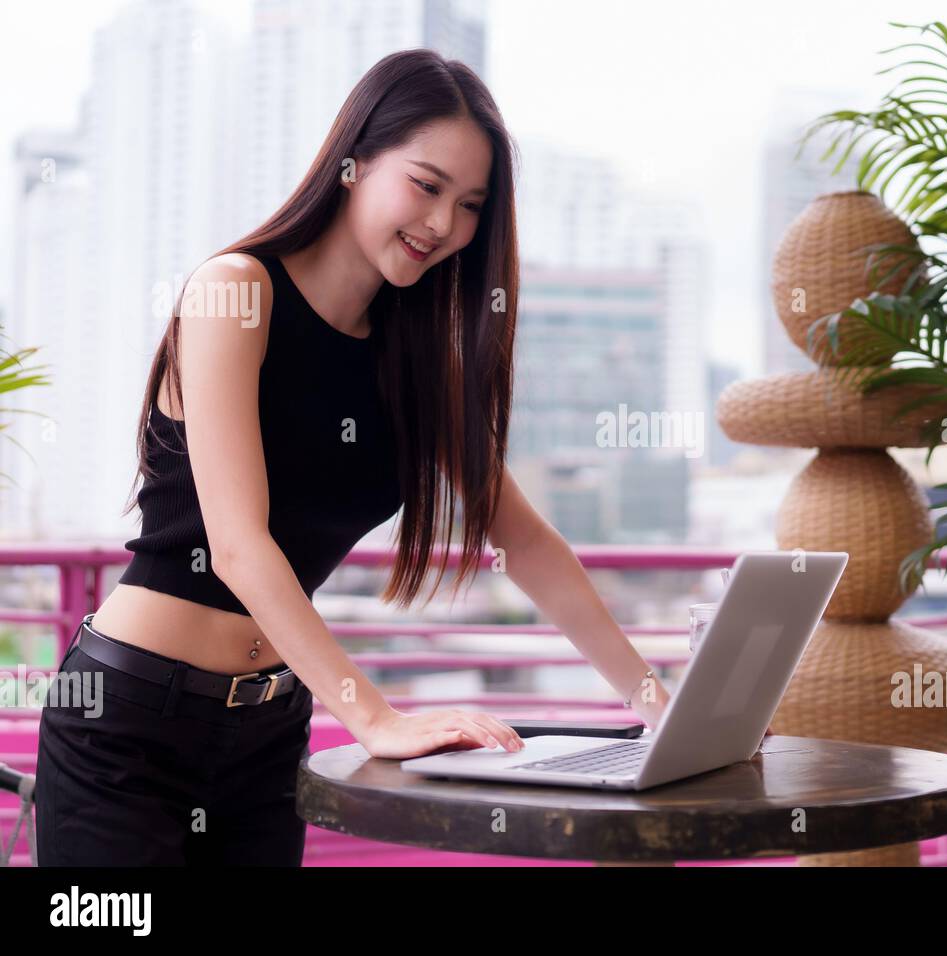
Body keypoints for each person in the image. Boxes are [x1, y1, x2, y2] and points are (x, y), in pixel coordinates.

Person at [34, 48, 671, 867]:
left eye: (471, 204)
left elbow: (528, 543)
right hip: (129, 723)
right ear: (353, 162)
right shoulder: (236, 292)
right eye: (426, 184)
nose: (443, 224)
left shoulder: (416, 360)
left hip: (267, 731)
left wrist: (657, 703)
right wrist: (372, 715)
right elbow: (236, 545)